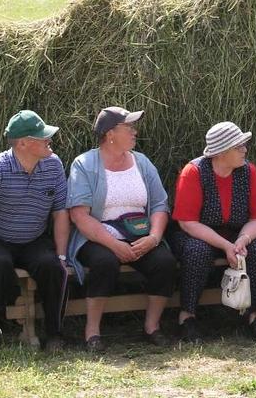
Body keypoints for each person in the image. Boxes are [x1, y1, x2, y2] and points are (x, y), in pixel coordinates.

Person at [67, 106, 177, 353]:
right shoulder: (84, 164)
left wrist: (154, 237)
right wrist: (113, 244)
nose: (134, 132)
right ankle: (92, 331)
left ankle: (152, 327)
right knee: (105, 263)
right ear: (110, 134)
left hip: (140, 234)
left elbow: (160, 204)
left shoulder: (142, 162)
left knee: (165, 262)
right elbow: (79, 215)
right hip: (98, 237)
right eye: (129, 127)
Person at [0, 110, 70, 350]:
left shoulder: (54, 165)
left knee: (54, 268)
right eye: (42, 137)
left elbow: (61, 213)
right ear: (23, 143)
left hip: (34, 238)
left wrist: (62, 256)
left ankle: (55, 335)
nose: (49, 141)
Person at [171, 122, 256, 344]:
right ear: (222, 152)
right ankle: (187, 317)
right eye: (239, 146)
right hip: (198, 233)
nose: (245, 150)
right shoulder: (194, 172)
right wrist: (226, 246)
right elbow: (187, 223)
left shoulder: (249, 171)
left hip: (239, 231)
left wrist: (242, 240)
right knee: (196, 251)